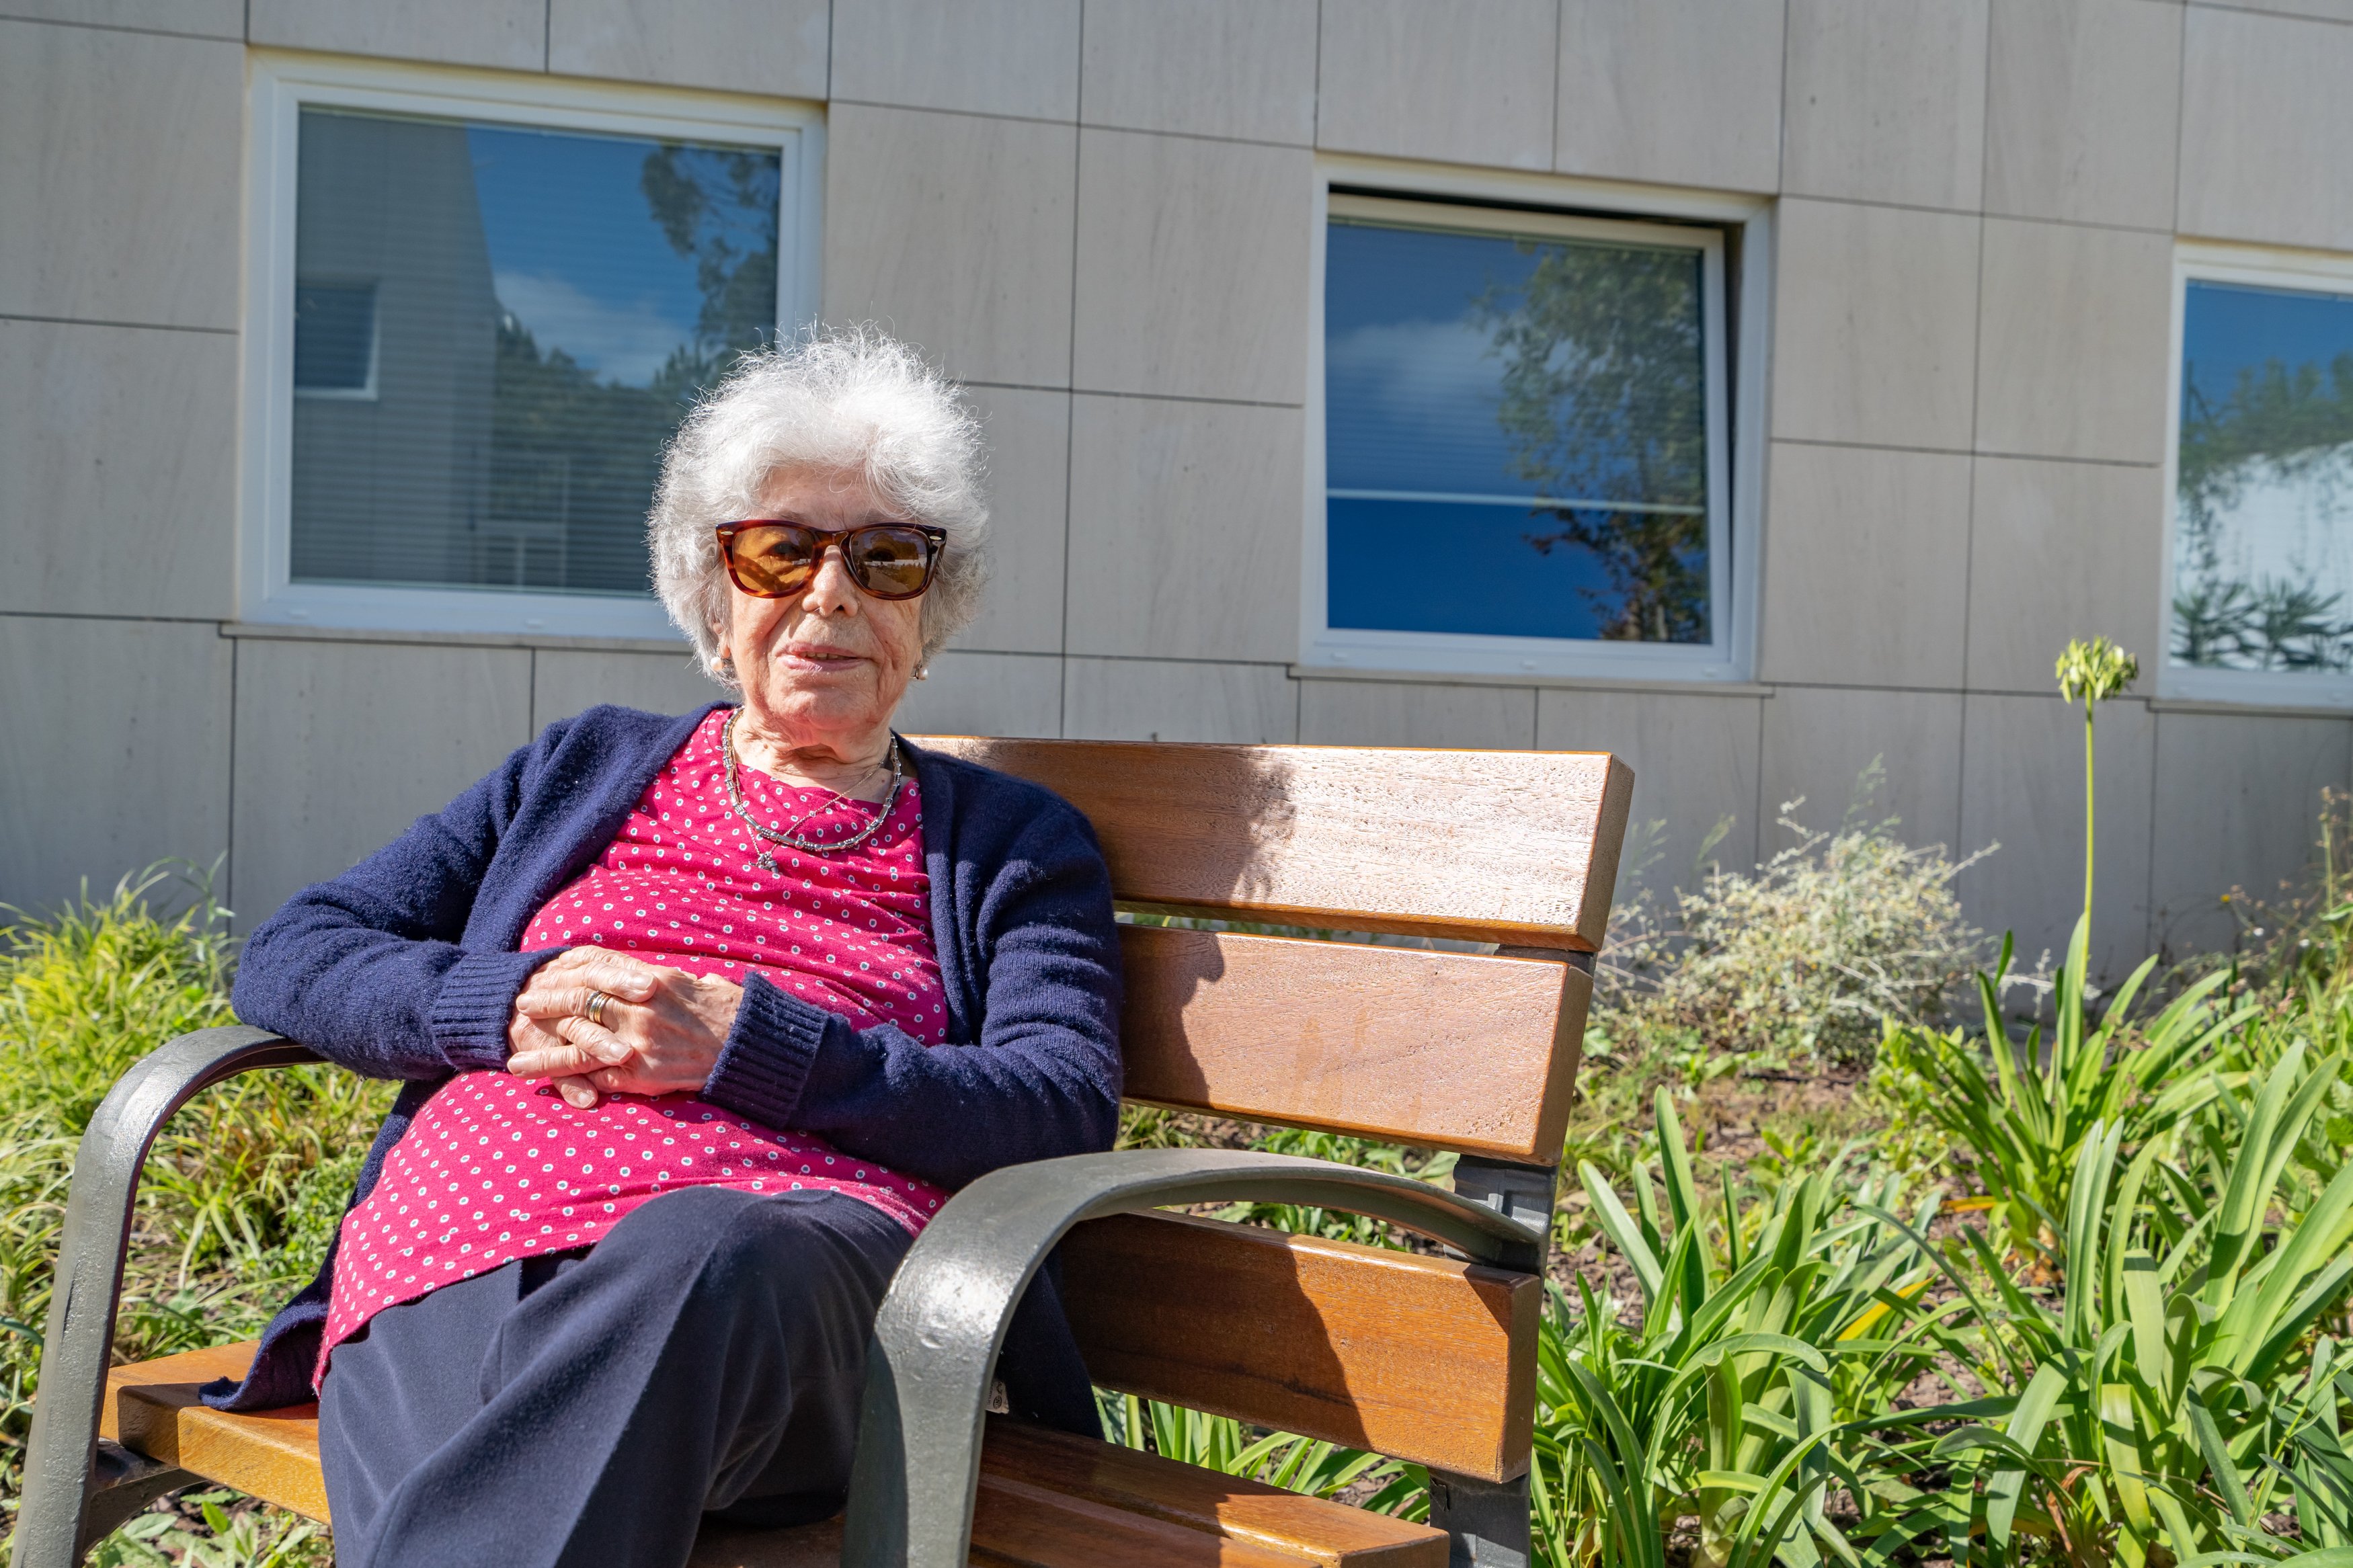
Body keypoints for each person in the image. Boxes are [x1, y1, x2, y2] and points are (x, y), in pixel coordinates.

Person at [213, 329, 1124, 1568]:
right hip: (465, 1240)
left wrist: (755, 1048)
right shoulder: (583, 768)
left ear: (932, 601)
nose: (831, 594)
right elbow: (298, 948)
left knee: (698, 1257)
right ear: (718, 587)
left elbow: (1055, 1104)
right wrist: (500, 1002)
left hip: (786, 1284)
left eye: (886, 557)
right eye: (781, 550)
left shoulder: (1014, 847)